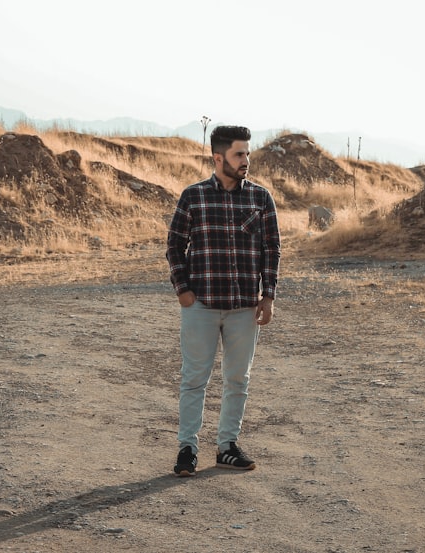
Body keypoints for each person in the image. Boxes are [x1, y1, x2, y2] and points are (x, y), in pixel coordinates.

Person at [165, 125, 281, 476]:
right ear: (219, 158)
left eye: (247, 153)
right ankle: (187, 448)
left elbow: (271, 249)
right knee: (194, 379)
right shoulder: (193, 196)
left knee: (237, 380)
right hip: (200, 305)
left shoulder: (260, 199)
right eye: (238, 154)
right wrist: (183, 289)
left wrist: (268, 295)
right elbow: (174, 245)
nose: (246, 160)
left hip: (244, 307)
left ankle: (227, 446)